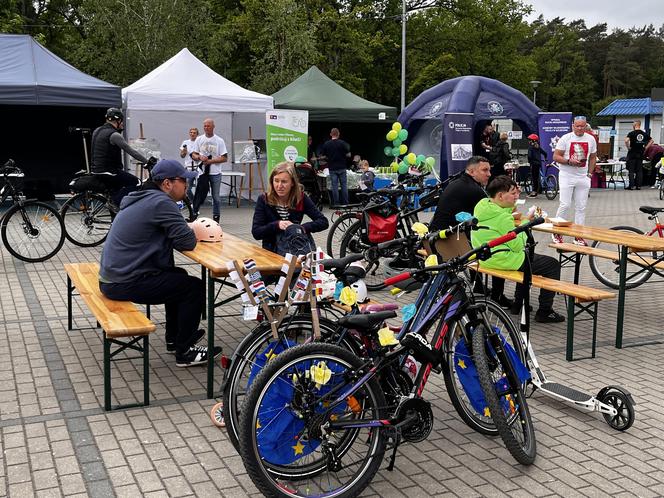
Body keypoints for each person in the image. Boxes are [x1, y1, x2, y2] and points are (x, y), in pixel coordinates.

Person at [98, 159, 221, 367]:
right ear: (167, 184)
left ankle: (175, 339)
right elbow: (187, 242)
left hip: (113, 277)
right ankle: (185, 351)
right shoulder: (162, 203)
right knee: (194, 288)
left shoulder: (141, 197)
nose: (187, 186)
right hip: (124, 281)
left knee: (178, 276)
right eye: (184, 181)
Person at [471, 175, 564, 323]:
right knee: (551, 264)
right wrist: (527, 220)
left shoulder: (482, 207)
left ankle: (518, 304)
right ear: (501, 196)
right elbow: (519, 245)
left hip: (484, 259)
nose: (517, 196)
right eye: (513, 193)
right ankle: (545, 311)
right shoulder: (503, 218)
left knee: (527, 258)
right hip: (502, 260)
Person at [429, 156, 511, 308]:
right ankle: (497, 297)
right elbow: (495, 211)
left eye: (489, 170)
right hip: (448, 241)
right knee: (497, 247)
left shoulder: (461, 182)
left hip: (438, 237)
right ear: (472, 171)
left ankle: (478, 285)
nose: (489, 174)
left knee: (481, 239)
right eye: (485, 170)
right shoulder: (472, 189)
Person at [252, 162, 329, 254]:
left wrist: (300, 228)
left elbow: (323, 222)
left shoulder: (301, 198)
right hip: (272, 252)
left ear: (292, 183)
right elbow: (256, 232)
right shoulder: (264, 199)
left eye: (284, 182)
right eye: (276, 181)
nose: (279, 186)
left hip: (295, 251)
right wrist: (277, 225)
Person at [90, 107, 151, 207]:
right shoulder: (114, 135)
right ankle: (114, 202)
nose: (122, 124)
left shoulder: (97, 130)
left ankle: (115, 214)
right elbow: (131, 151)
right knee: (136, 182)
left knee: (118, 189)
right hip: (109, 171)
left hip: (96, 170)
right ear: (118, 120)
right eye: (121, 121)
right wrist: (147, 161)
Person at [551, 116, 597, 246]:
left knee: (581, 207)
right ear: (573, 126)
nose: (580, 128)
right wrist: (568, 161)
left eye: (582, 126)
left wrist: (589, 173)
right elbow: (556, 156)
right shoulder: (566, 138)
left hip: (583, 177)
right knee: (565, 204)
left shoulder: (590, 139)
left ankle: (578, 236)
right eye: (577, 126)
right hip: (567, 175)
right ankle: (556, 232)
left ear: (586, 126)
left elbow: (593, 157)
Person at [191, 118, 228, 222]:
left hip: (215, 173)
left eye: (208, 126)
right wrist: (199, 157)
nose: (206, 128)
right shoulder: (199, 139)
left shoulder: (219, 140)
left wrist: (211, 161)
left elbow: (225, 158)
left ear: (213, 127)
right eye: (205, 126)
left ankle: (216, 217)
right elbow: (194, 154)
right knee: (199, 193)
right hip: (202, 173)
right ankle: (194, 213)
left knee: (215, 197)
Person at [320, 128, 351, 206]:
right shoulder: (343, 143)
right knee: (344, 186)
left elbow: (323, 156)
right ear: (338, 134)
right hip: (342, 167)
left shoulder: (327, 144)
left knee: (335, 186)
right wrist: (343, 155)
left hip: (332, 168)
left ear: (331, 134)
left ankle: (336, 204)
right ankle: (345, 203)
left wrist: (329, 157)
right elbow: (349, 154)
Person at [624, 120, 652, 190]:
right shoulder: (644, 133)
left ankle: (631, 186)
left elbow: (626, 140)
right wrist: (645, 148)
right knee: (639, 170)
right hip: (640, 153)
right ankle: (638, 186)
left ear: (635, 125)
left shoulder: (631, 133)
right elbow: (651, 141)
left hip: (632, 153)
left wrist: (628, 147)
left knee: (631, 170)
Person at [180, 127, 199, 199]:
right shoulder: (185, 142)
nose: (192, 134)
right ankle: (193, 202)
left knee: (199, 187)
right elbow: (182, 156)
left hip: (198, 167)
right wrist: (184, 151)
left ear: (197, 134)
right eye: (191, 132)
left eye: (194, 133)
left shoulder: (199, 142)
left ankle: (196, 203)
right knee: (187, 188)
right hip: (188, 167)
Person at [527, 133, 548, 197]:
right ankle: (539, 189)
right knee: (537, 177)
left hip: (533, 163)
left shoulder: (531, 147)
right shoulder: (538, 147)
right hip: (538, 163)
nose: (529, 141)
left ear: (533, 141)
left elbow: (529, 156)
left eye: (530, 140)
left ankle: (534, 192)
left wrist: (529, 161)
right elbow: (545, 153)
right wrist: (545, 159)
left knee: (534, 178)